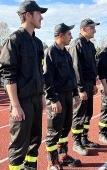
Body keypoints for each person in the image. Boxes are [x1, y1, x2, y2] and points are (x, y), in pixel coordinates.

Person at [0, 0, 47, 170]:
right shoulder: (14, 40)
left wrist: (41, 96)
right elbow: (8, 75)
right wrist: (15, 105)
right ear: (28, 15)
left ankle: (31, 167)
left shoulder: (37, 43)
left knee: (35, 140)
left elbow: (39, 73)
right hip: (22, 101)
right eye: (39, 13)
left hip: (35, 99)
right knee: (19, 145)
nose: (41, 17)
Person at [43, 23, 81, 169]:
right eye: (69, 34)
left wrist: (76, 93)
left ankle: (63, 155)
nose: (71, 36)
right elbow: (47, 79)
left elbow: (72, 75)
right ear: (61, 35)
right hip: (56, 97)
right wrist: (53, 99)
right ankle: (52, 162)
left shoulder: (66, 53)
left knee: (65, 128)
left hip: (68, 95)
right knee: (53, 131)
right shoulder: (50, 53)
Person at [68, 18, 100, 156]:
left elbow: (92, 65)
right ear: (84, 29)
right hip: (80, 85)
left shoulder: (90, 45)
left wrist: (93, 84)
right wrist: (80, 89)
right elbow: (76, 69)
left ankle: (84, 138)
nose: (95, 30)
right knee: (79, 114)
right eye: (92, 28)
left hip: (89, 83)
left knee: (88, 114)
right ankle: (76, 142)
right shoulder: (76, 45)